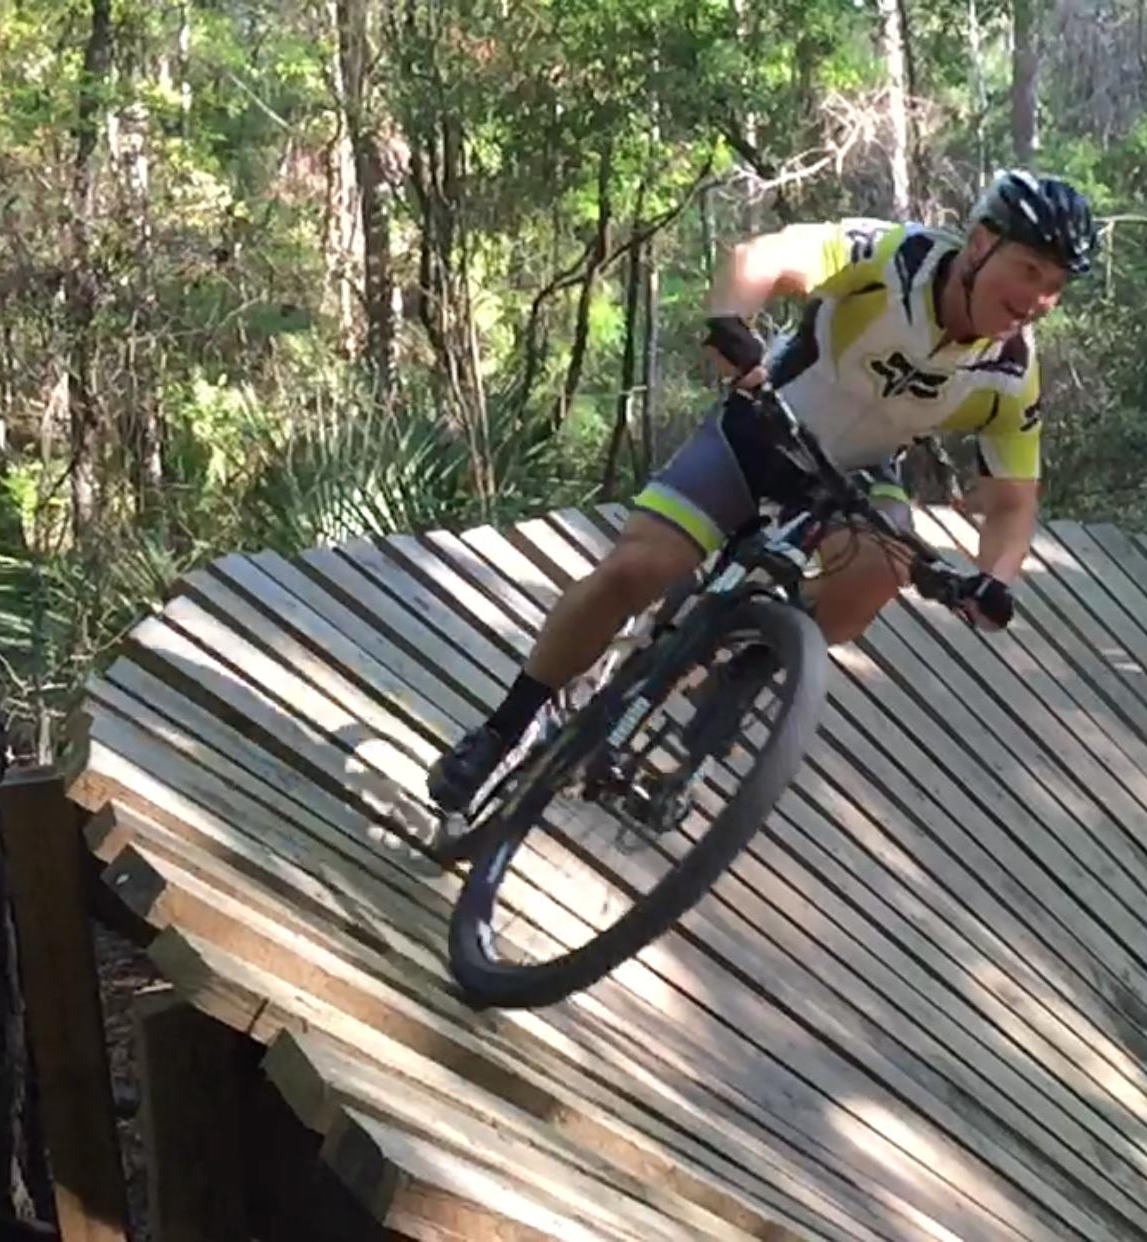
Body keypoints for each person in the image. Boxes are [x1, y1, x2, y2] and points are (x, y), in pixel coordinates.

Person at [426, 169, 1096, 813]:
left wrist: (995, 579)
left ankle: (752, 658)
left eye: (1055, 285)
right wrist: (732, 321)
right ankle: (503, 730)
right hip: (764, 428)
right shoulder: (895, 258)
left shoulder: (1011, 370)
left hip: (855, 475)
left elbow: (1014, 496)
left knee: (882, 570)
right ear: (980, 243)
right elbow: (766, 257)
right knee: (639, 569)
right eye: (1029, 270)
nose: (1037, 297)